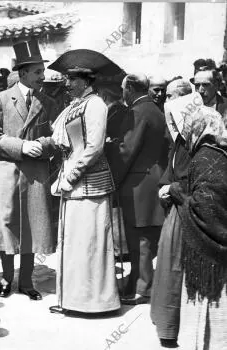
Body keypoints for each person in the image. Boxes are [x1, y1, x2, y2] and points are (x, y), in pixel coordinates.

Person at [39, 49, 122, 314]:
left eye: (71, 78)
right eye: (66, 78)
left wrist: (71, 177)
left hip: (89, 184)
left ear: (85, 81)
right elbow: (66, 143)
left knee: (90, 242)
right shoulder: (75, 105)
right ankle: (73, 300)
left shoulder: (96, 105)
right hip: (72, 183)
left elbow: (94, 148)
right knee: (74, 242)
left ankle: (94, 303)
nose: (66, 83)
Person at [0, 38, 58, 300]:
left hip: (35, 176)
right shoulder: (1, 99)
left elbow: (57, 138)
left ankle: (26, 281)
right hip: (6, 172)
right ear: (23, 73)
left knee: (31, 226)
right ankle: (6, 278)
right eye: (38, 72)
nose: (42, 76)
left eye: (43, 71)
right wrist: (22, 147)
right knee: (8, 226)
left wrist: (43, 144)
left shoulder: (48, 102)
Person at [109, 73, 168, 305]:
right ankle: (137, 281)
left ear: (131, 88)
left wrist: (113, 169)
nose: (122, 93)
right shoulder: (153, 109)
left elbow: (127, 151)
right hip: (150, 179)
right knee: (143, 238)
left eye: (124, 89)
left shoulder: (138, 111)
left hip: (138, 184)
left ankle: (143, 288)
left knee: (140, 239)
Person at [177, 106, 227, 349]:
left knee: (211, 319)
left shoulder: (206, 158)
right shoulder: (217, 154)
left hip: (211, 258)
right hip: (216, 257)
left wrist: (179, 196)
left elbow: (207, 209)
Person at [150, 79, 193, 348]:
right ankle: (163, 322)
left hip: (185, 213)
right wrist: (165, 186)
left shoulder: (195, 143)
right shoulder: (179, 142)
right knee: (167, 266)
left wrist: (171, 189)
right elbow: (171, 171)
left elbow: (193, 179)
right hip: (173, 211)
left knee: (177, 269)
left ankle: (173, 328)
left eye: (169, 97)